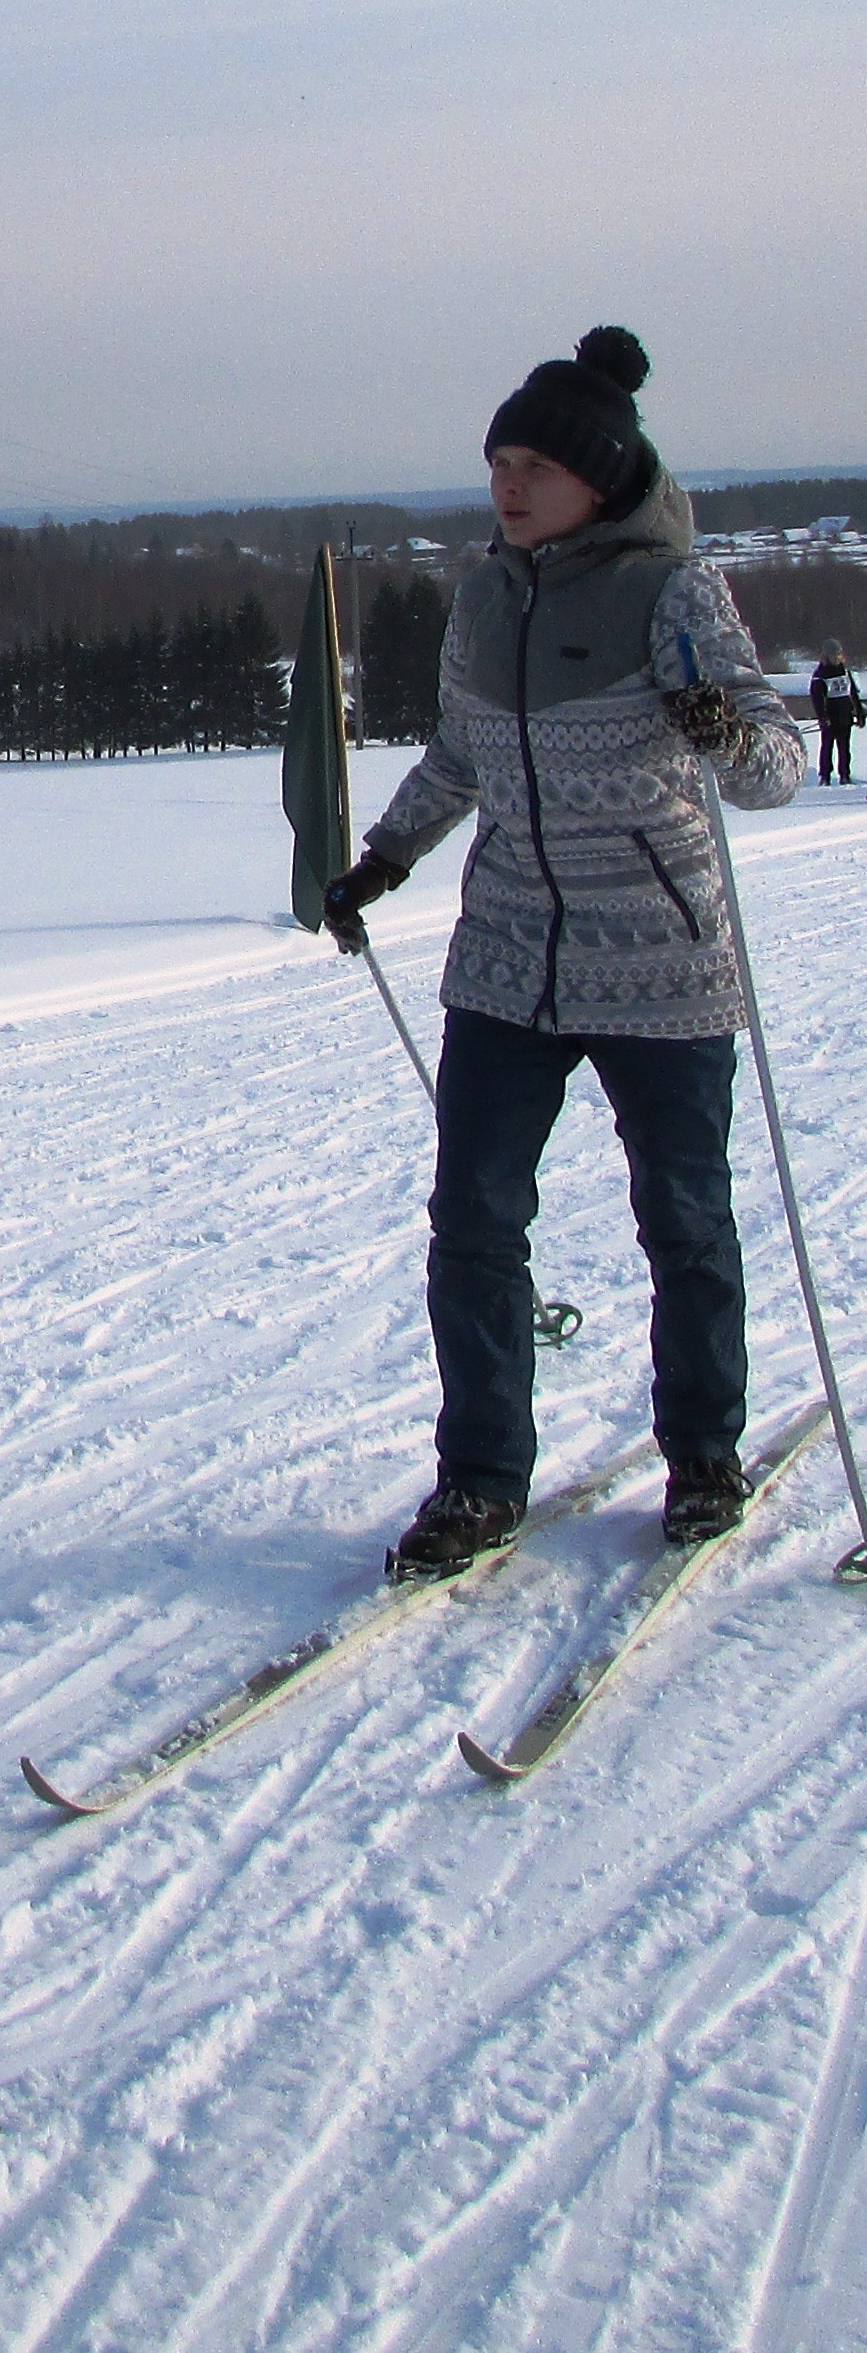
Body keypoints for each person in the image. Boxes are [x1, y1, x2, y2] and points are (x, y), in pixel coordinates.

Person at [321, 330, 805, 1567]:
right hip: (507, 956)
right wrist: (385, 856)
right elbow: (461, 751)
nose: (509, 483)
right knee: (472, 1220)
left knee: (684, 1219)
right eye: (499, 462)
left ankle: (704, 1453)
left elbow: (773, 767)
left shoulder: (676, 590)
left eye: (535, 464)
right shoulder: (484, 595)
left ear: (600, 476)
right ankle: (481, 1479)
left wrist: (718, 724)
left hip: (660, 962)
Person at [812, 645, 859, 785]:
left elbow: (853, 694)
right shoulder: (820, 675)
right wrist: (823, 717)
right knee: (827, 747)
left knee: (844, 748)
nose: (837, 657)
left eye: (839, 654)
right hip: (830, 718)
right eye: (833, 655)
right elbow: (817, 699)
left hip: (845, 716)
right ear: (826, 656)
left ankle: (845, 775)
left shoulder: (845, 672)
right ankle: (825, 776)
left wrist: (859, 713)